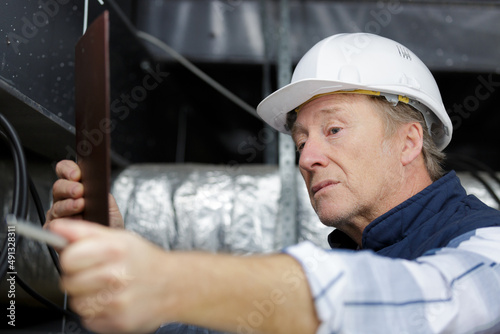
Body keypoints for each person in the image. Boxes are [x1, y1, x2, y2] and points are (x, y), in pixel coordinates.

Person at [45, 33, 500, 334]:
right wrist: (115, 264)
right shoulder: (335, 272)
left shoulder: (487, 244)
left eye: (333, 130)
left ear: (408, 141)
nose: (307, 157)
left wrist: (168, 280)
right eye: (300, 140)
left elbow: (426, 302)